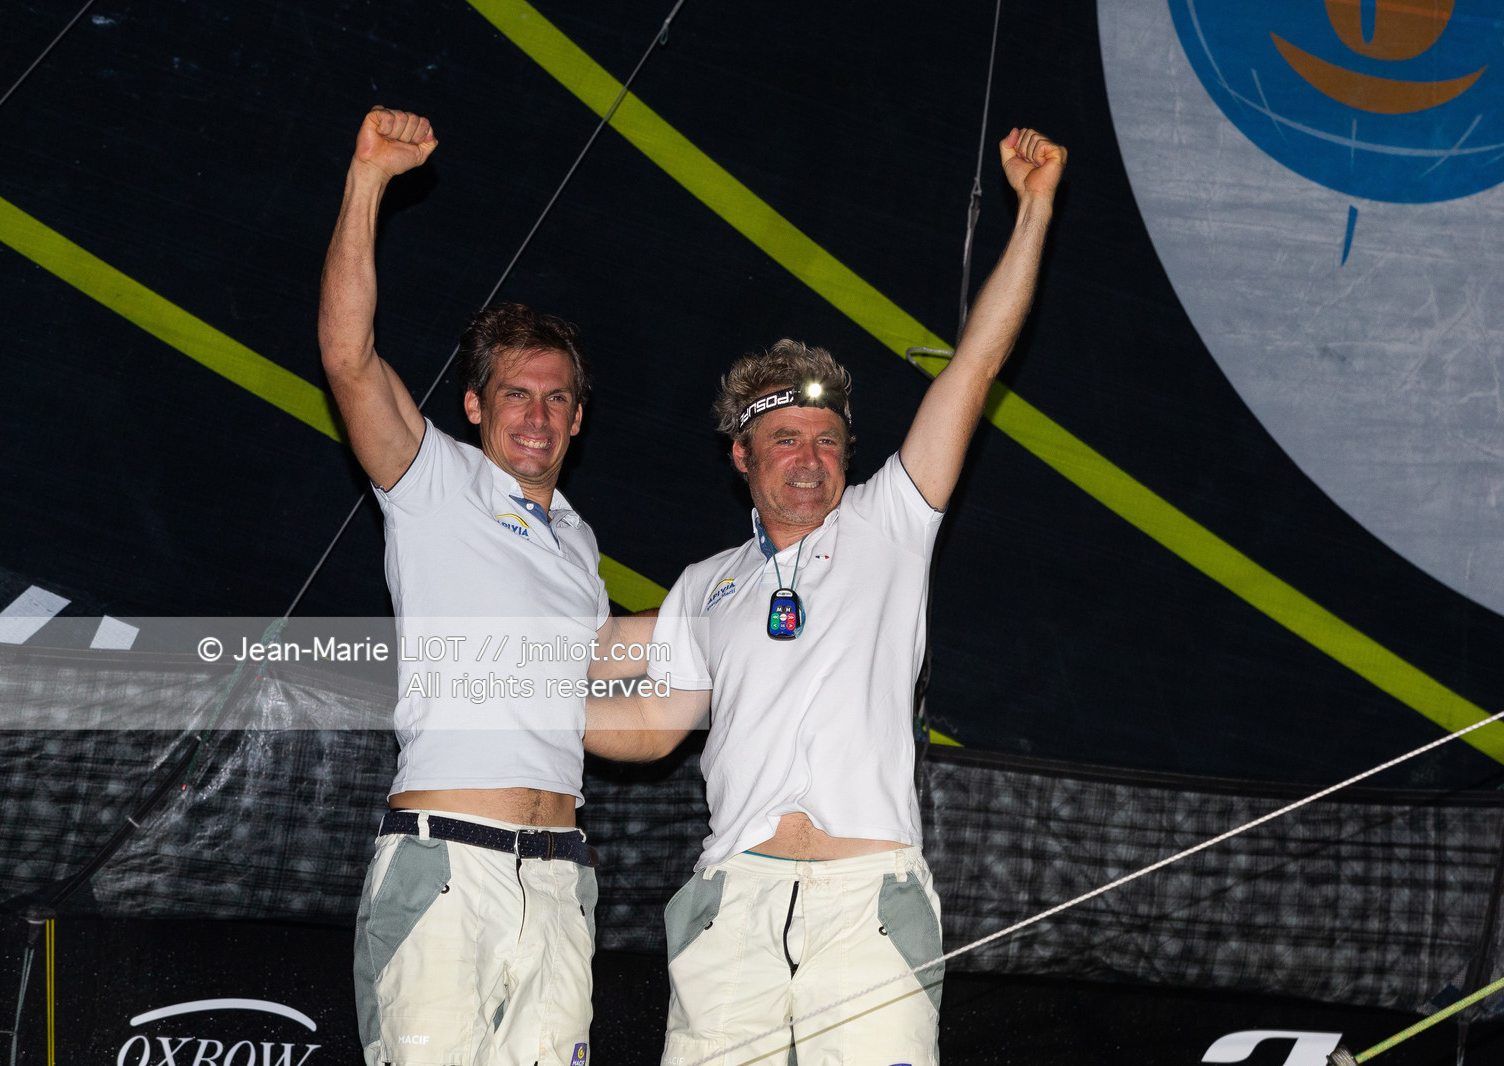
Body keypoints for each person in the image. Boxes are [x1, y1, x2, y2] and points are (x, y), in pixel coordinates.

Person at [585, 126, 1067, 1065]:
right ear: (742, 455)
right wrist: (515, 701)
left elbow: (974, 366)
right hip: (735, 907)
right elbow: (648, 725)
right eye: (784, 440)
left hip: (867, 907)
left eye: (827, 440)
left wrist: (1035, 209)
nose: (808, 460)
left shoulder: (890, 523)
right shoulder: (706, 585)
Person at [321, 106, 638, 1066]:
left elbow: (611, 720)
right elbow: (346, 356)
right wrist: (368, 179)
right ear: (474, 405)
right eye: (515, 394)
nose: (536, 416)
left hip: (559, 881)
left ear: (578, 418)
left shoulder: (579, 545)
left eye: (556, 398)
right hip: (448, 864)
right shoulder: (434, 482)